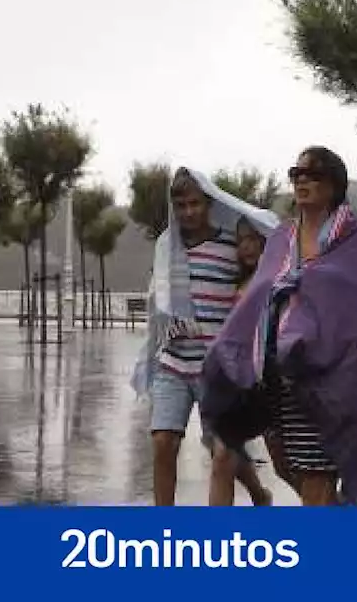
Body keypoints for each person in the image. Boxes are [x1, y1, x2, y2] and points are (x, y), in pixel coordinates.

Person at [202, 146, 357, 505]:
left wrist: (308, 288)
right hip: (280, 377)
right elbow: (260, 296)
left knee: (316, 477)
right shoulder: (282, 238)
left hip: (331, 378)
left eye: (311, 173)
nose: (301, 180)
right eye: (295, 173)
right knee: (289, 469)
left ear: (333, 183)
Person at [130, 168, 280, 506]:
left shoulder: (231, 246)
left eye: (195, 204)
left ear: (209, 203)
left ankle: (255, 495)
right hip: (174, 362)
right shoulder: (167, 248)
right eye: (180, 205)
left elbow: (256, 281)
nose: (188, 212)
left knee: (223, 452)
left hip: (218, 369)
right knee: (162, 444)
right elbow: (160, 301)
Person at [209, 215, 299, 504]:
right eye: (240, 241)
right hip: (241, 385)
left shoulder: (279, 280)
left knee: (285, 467)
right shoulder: (238, 283)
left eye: (252, 239)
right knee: (223, 455)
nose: (246, 247)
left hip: (270, 384)